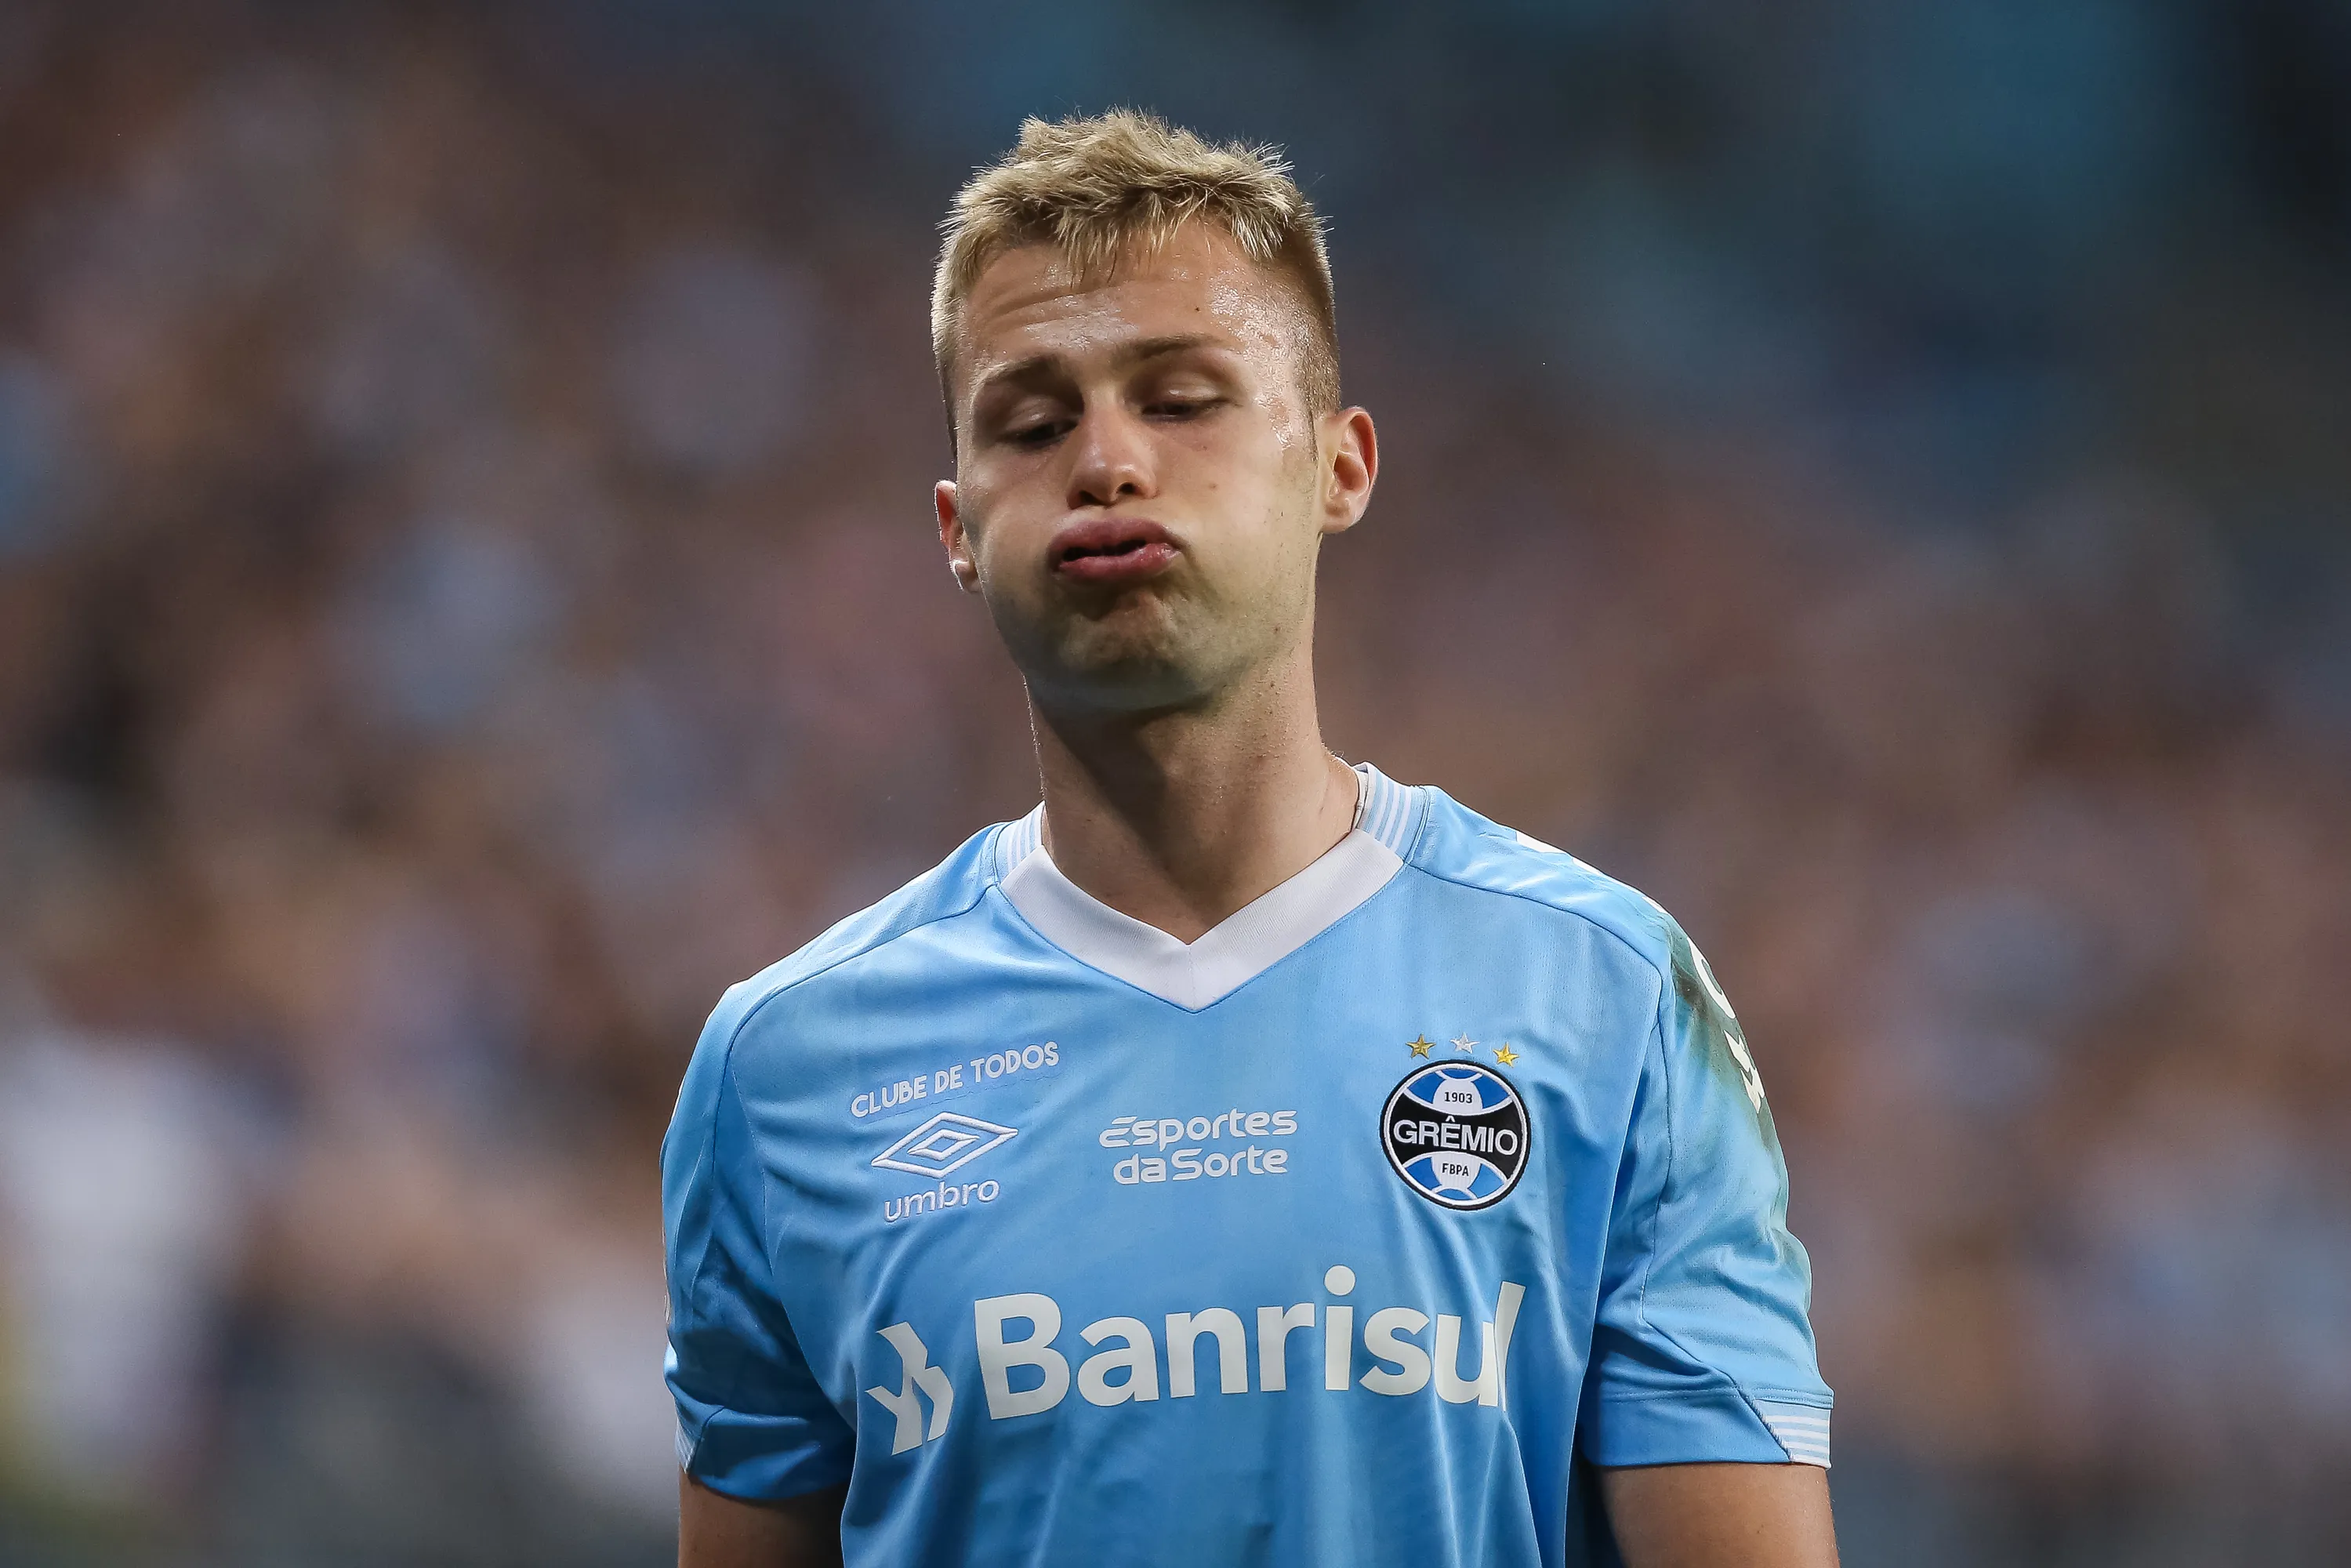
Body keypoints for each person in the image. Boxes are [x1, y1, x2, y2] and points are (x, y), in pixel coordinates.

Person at [664, 111, 1837, 1568]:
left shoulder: (1603, 995)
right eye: (1033, 422)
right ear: (958, 529)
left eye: (1182, 398)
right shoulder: (786, 1066)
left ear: (1338, 467)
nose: (1105, 461)